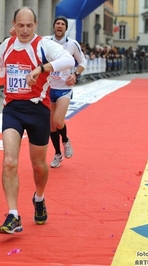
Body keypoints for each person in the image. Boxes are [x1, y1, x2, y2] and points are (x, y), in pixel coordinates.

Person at [0, 6, 74, 234]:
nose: (25, 30)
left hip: (38, 110)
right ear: (14, 24)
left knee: (38, 166)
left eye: (29, 25)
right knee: (9, 161)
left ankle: (39, 198)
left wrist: (41, 68)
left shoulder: (43, 45)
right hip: (13, 109)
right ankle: (13, 215)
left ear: (35, 25)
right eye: (21, 25)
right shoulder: (8, 45)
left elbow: (67, 59)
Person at [47, 16, 86, 168]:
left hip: (64, 88)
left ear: (65, 28)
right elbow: (29, 41)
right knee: (51, 126)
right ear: (54, 26)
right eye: (57, 23)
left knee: (58, 121)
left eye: (63, 24)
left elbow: (83, 61)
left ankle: (65, 140)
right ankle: (57, 154)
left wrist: (75, 74)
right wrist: (14, 34)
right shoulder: (46, 42)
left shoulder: (72, 44)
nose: (60, 26)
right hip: (49, 87)